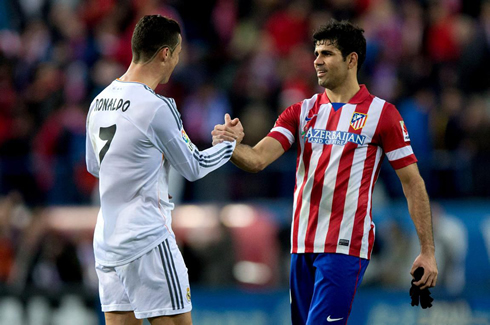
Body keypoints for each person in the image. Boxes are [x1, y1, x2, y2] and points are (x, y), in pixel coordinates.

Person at [213, 19, 438, 324]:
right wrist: (230, 145)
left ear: (351, 59)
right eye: (316, 53)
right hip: (301, 245)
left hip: (344, 247)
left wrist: (427, 250)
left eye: (327, 53)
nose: (316, 61)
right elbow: (257, 160)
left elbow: (412, 183)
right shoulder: (301, 111)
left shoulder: (382, 115)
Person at [85, 15, 239, 325]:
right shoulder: (156, 106)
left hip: (107, 242)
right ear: (165, 53)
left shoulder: (99, 101)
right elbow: (194, 166)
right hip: (147, 241)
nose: (178, 61)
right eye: (178, 53)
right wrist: (228, 144)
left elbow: (94, 166)